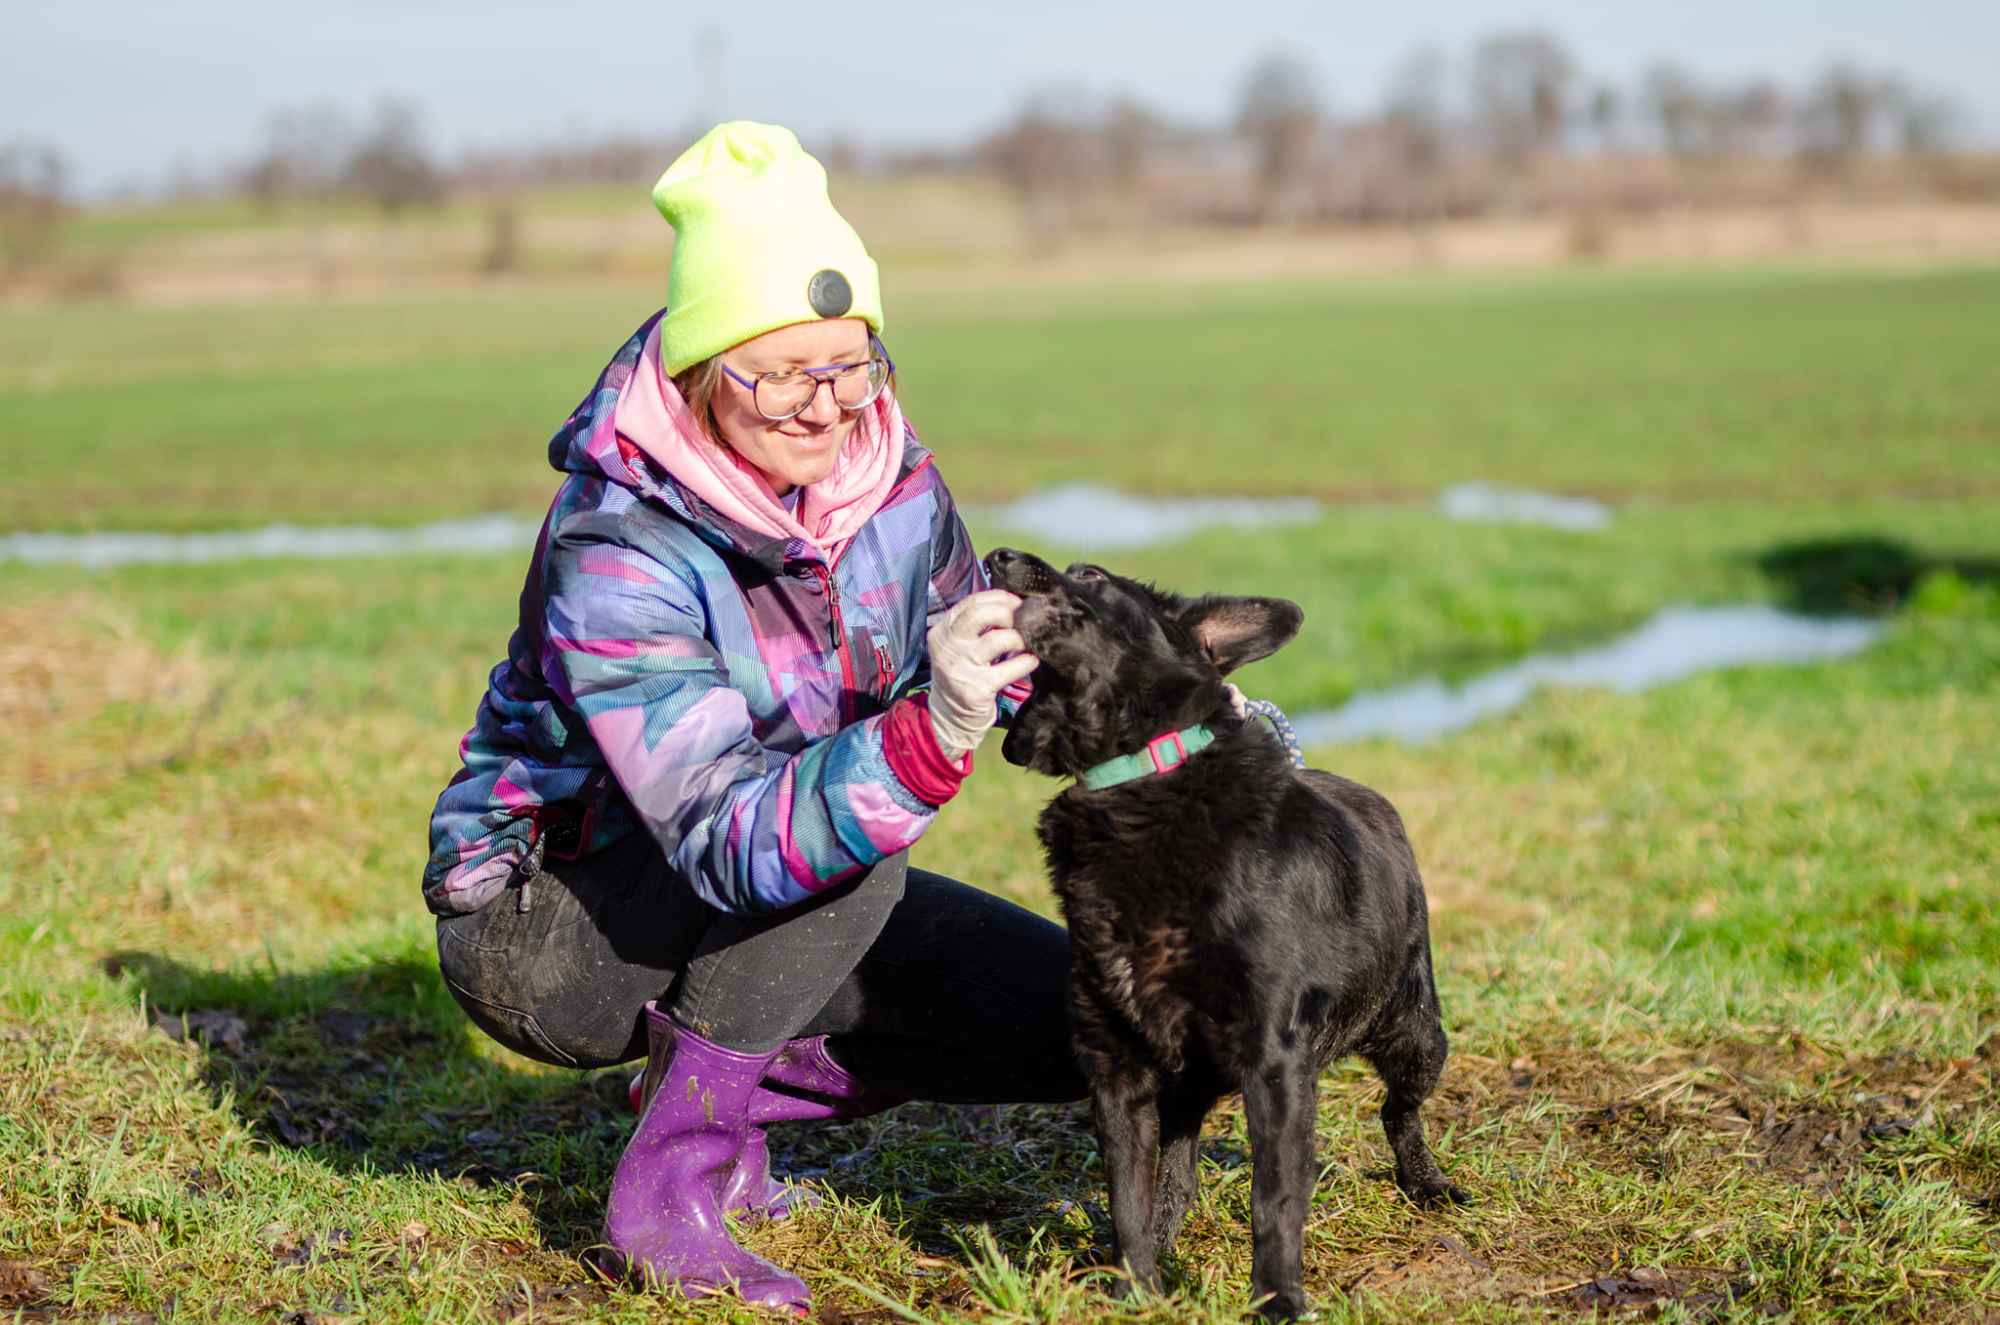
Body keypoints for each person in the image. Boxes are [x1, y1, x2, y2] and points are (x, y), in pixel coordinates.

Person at [421, 123, 1085, 1314]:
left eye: (849, 363)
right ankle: (671, 1187)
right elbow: (733, 833)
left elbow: (993, 654)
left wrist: (1179, 714)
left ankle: (708, 1091)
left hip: (791, 876)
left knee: (1084, 1019)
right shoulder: (617, 542)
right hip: (556, 921)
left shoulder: (892, 480)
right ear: (698, 365)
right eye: (781, 371)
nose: (823, 405)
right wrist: (927, 732)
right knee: (865, 836)